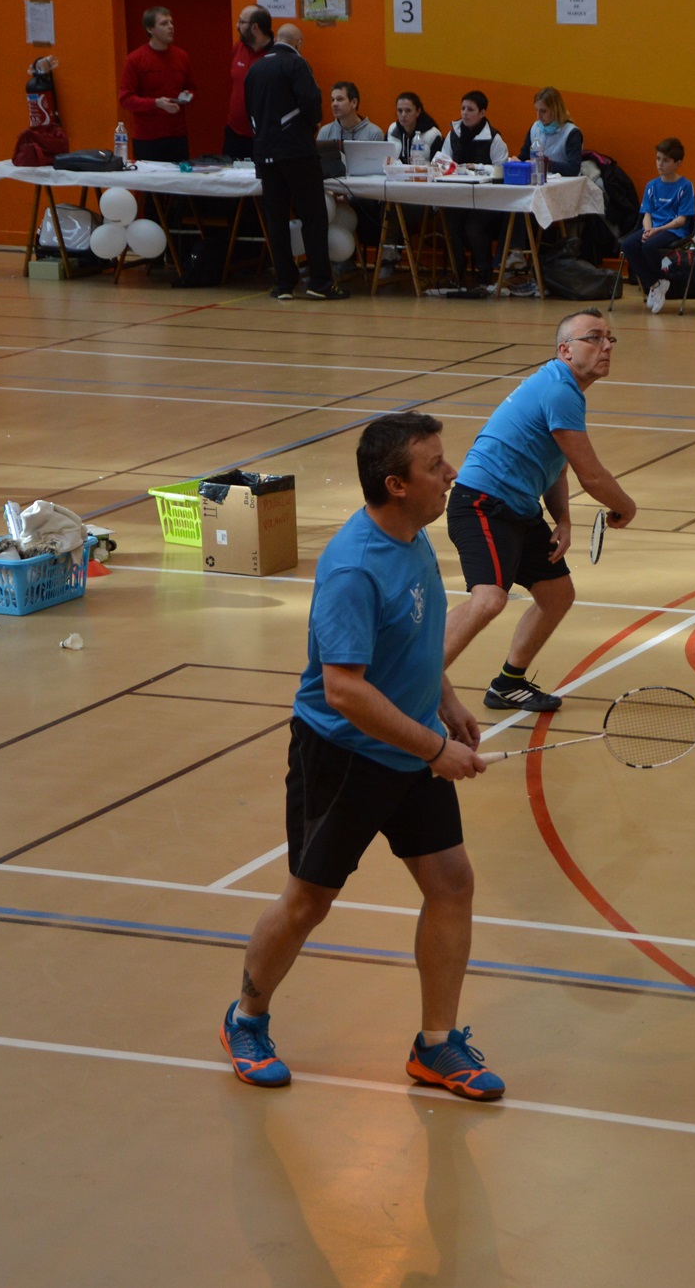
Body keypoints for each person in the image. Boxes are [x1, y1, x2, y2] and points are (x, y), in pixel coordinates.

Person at [221, 411, 504, 1102]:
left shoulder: (413, 536)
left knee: (452, 884)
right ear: (395, 485)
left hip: (413, 744)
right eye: (435, 466)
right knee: (308, 902)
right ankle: (246, 1019)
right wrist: (437, 749)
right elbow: (344, 690)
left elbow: (414, 638)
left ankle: (436, 1045)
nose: (451, 475)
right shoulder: (353, 567)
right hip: (345, 758)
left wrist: (446, 700)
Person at [442, 309, 638, 711]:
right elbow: (592, 477)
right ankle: (408, 684)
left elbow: (557, 468)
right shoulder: (560, 391)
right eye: (594, 338)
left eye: (609, 338)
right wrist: (626, 507)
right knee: (489, 600)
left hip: (516, 507)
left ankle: (508, 684)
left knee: (557, 594)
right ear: (565, 350)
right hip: (481, 503)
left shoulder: (563, 388)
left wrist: (562, 519)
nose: (606, 346)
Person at [245, 24, 343, 300]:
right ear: (298, 43)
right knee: (313, 216)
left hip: (264, 152)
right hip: (297, 152)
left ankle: (284, 284)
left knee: (276, 219)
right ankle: (320, 282)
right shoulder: (297, 64)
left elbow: (248, 109)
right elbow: (311, 102)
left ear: (276, 39)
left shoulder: (255, 68)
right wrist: (312, 124)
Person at [439, 91, 510, 289]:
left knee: (473, 226)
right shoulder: (453, 135)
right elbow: (442, 161)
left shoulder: (494, 138)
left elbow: (501, 170)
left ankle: (484, 271)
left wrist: (477, 167)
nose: (464, 113)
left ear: (482, 113)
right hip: (458, 197)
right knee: (449, 222)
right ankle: (458, 269)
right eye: (463, 108)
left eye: (470, 109)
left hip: (488, 200)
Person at [621, 138, 695, 314]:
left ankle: (657, 282)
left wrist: (657, 230)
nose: (660, 164)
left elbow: (681, 220)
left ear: (677, 163)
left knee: (649, 246)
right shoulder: (652, 185)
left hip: (674, 230)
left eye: (665, 160)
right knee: (628, 245)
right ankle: (656, 283)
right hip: (653, 228)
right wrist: (648, 229)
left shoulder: (685, 186)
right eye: (658, 159)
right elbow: (647, 213)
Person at [319, 81, 386, 263]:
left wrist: (349, 195)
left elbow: (377, 175)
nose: (334, 104)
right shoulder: (325, 132)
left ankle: (347, 261)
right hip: (332, 194)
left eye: (340, 99)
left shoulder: (374, 133)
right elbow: (320, 171)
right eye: (332, 100)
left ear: (354, 102)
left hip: (363, 196)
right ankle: (323, 261)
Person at [118, 6, 195, 163]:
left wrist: (187, 96)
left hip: (177, 135)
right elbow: (125, 99)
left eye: (171, 22)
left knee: (179, 178)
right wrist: (156, 103)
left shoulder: (182, 56)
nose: (171, 27)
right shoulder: (135, 59)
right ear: (150, 29)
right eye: (164, 23)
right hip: (148, 138)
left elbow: (192, 87)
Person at [378, 92, 441, 283]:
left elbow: (439, 168)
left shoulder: (432, 134)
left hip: (423, 197)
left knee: (393, 207)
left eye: (408, 110)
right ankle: (389, 252)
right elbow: (385, 161)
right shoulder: (392, 131)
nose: (403, 115)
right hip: (397, 190)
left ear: (418, 111)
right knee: (382, 204)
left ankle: (388, 255)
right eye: (399, 111)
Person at [224, 6, 274, 160]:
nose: (237, 26)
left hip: (265, 136)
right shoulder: (239, 47)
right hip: (234, 132)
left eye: (241, 22)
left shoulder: (276, 55)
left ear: (254, 27)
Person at [517, 86, 583, 177]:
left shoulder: (571, 133)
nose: (538, 116)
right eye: (537, 110)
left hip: (563, 183)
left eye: (543, 111)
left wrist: (546, 164)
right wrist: (517, 163)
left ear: (556, 110)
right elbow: (524, 157)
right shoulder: (534, 128)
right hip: (537, 180)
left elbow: (573, 169)